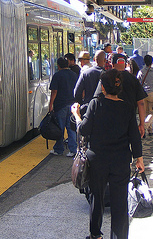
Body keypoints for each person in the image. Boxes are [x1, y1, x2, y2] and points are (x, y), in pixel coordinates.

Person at [71, 69, 144, 239]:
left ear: (103, 87)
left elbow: (84, 130)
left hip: (98, 160)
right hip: (120, 161)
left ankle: (95, 234)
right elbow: (134, 135)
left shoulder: (96, 104)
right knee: (120, 202)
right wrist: (139, 159)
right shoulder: (127, 107)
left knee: (97, 197)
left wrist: (76, 114)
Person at [94, 53, 147, 137]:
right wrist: (142, 123)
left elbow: (98, 98)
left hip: (109, 119)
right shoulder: (133, 79)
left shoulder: (106, 78)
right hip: (130, 120)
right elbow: (141, 102)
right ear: (125, 64)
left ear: (112, 64)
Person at [49, 57, 78, 157]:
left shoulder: (57, 75)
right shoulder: (74, 75)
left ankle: (58, 149)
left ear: (58, 65)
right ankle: (73, 150)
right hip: (72, 105)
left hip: (60, 105)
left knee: (60, 128)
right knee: (71, 128)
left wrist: (51, 105)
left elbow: (54, 92)